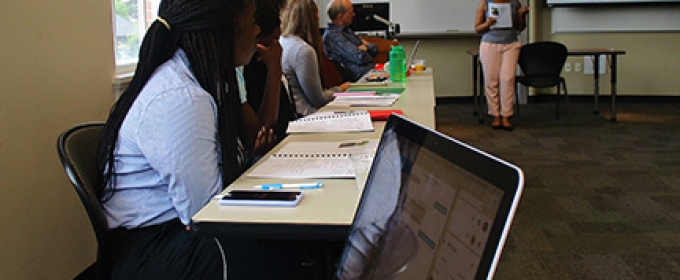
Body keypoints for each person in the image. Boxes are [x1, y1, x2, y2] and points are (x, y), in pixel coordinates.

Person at [96, 0, 261, 278]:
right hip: (152, 251)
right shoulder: (180, 98)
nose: (258, 30)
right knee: (275, 251)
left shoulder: (200, 81)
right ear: (222, 31)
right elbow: (206, 214)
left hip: (171, 233)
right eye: (251, 21)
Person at [280, 0, 351, 116]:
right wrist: (341, 89)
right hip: (309, 115)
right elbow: (319, 100)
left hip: (295, 113)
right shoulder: (303, 51)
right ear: (312, 18)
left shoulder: (283, 42)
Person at [242, 0, 295, 148]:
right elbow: (263, 129)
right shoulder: (246, 66)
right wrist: (274, 67)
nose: (279, 31)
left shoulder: (263, 57)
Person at [474, 0, 529, 130]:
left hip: (511, 45)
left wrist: (522, 15)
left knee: (507, 79)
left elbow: (520, 27)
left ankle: (506, 115)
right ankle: (495, 115)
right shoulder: (485, 3)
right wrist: (488, 23)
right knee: (491, 80)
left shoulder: (515, 3)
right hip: (490, 44)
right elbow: (477, 28)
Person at [323, 0, 379, 82]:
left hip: (370, 73)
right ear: (340, 16)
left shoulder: (347, 31)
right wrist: (364, 48)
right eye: (350, 12)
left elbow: (375, 50)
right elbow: (360, 57)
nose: (354, 14)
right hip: (360, 79)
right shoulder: (333, 36)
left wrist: (365, 48)